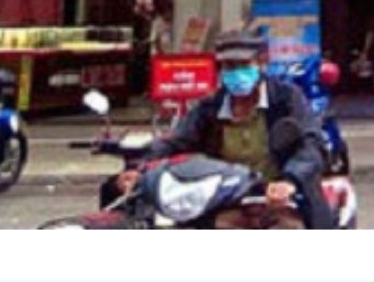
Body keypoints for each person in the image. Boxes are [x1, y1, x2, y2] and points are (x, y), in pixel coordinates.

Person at [124, 29, 332, 228]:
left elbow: (312, 144)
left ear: (262, 62)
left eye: (243, 65)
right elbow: (176, 140)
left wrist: (289, 181)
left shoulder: (287, 99)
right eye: (228, 66)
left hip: (282, 204)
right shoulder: (210, 107)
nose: (235, 73)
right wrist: (139, 168)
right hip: (227, 203)